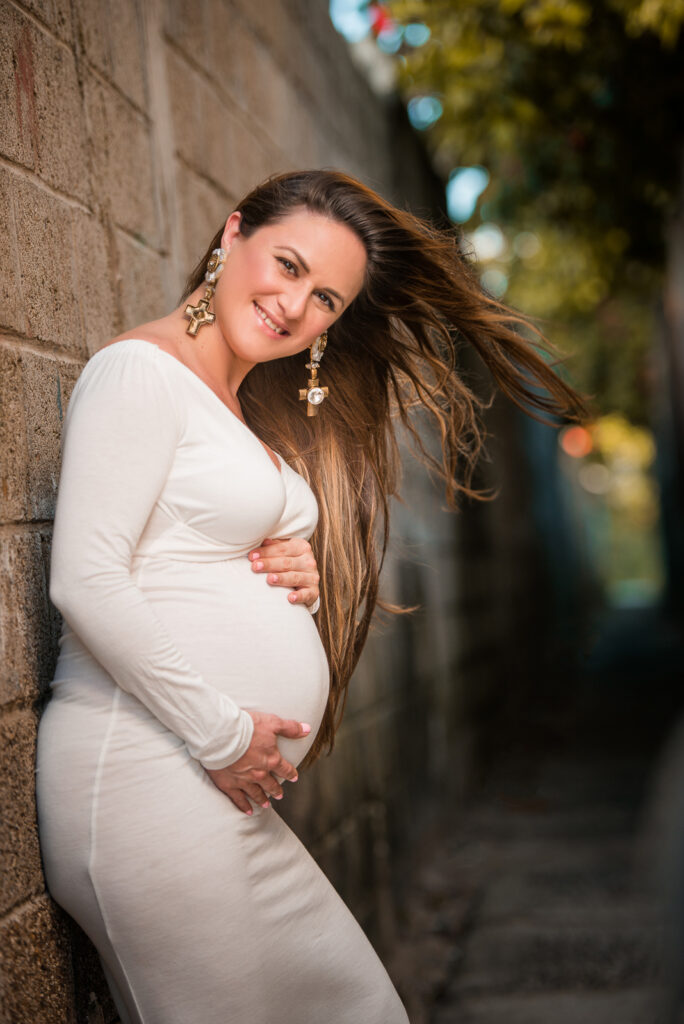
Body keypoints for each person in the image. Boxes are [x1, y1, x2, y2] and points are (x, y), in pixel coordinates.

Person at [35, 169, 585, 1023]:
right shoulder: (137, 373)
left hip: (208, 793)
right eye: (286, 265)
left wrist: (294, 563)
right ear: (232, 235)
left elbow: (184, 542)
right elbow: (86, 579)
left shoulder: (234, 405)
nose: (295, 307)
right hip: (151, 780)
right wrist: (223, 735)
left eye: (325, 297)